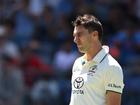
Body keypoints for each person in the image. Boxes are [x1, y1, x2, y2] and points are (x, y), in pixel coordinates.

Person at [69, 14, 124, 105]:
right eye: (74, 35)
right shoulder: (77, 63)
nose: (75, 39)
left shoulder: (112, 67)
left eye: (79, 35)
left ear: (94, 35)